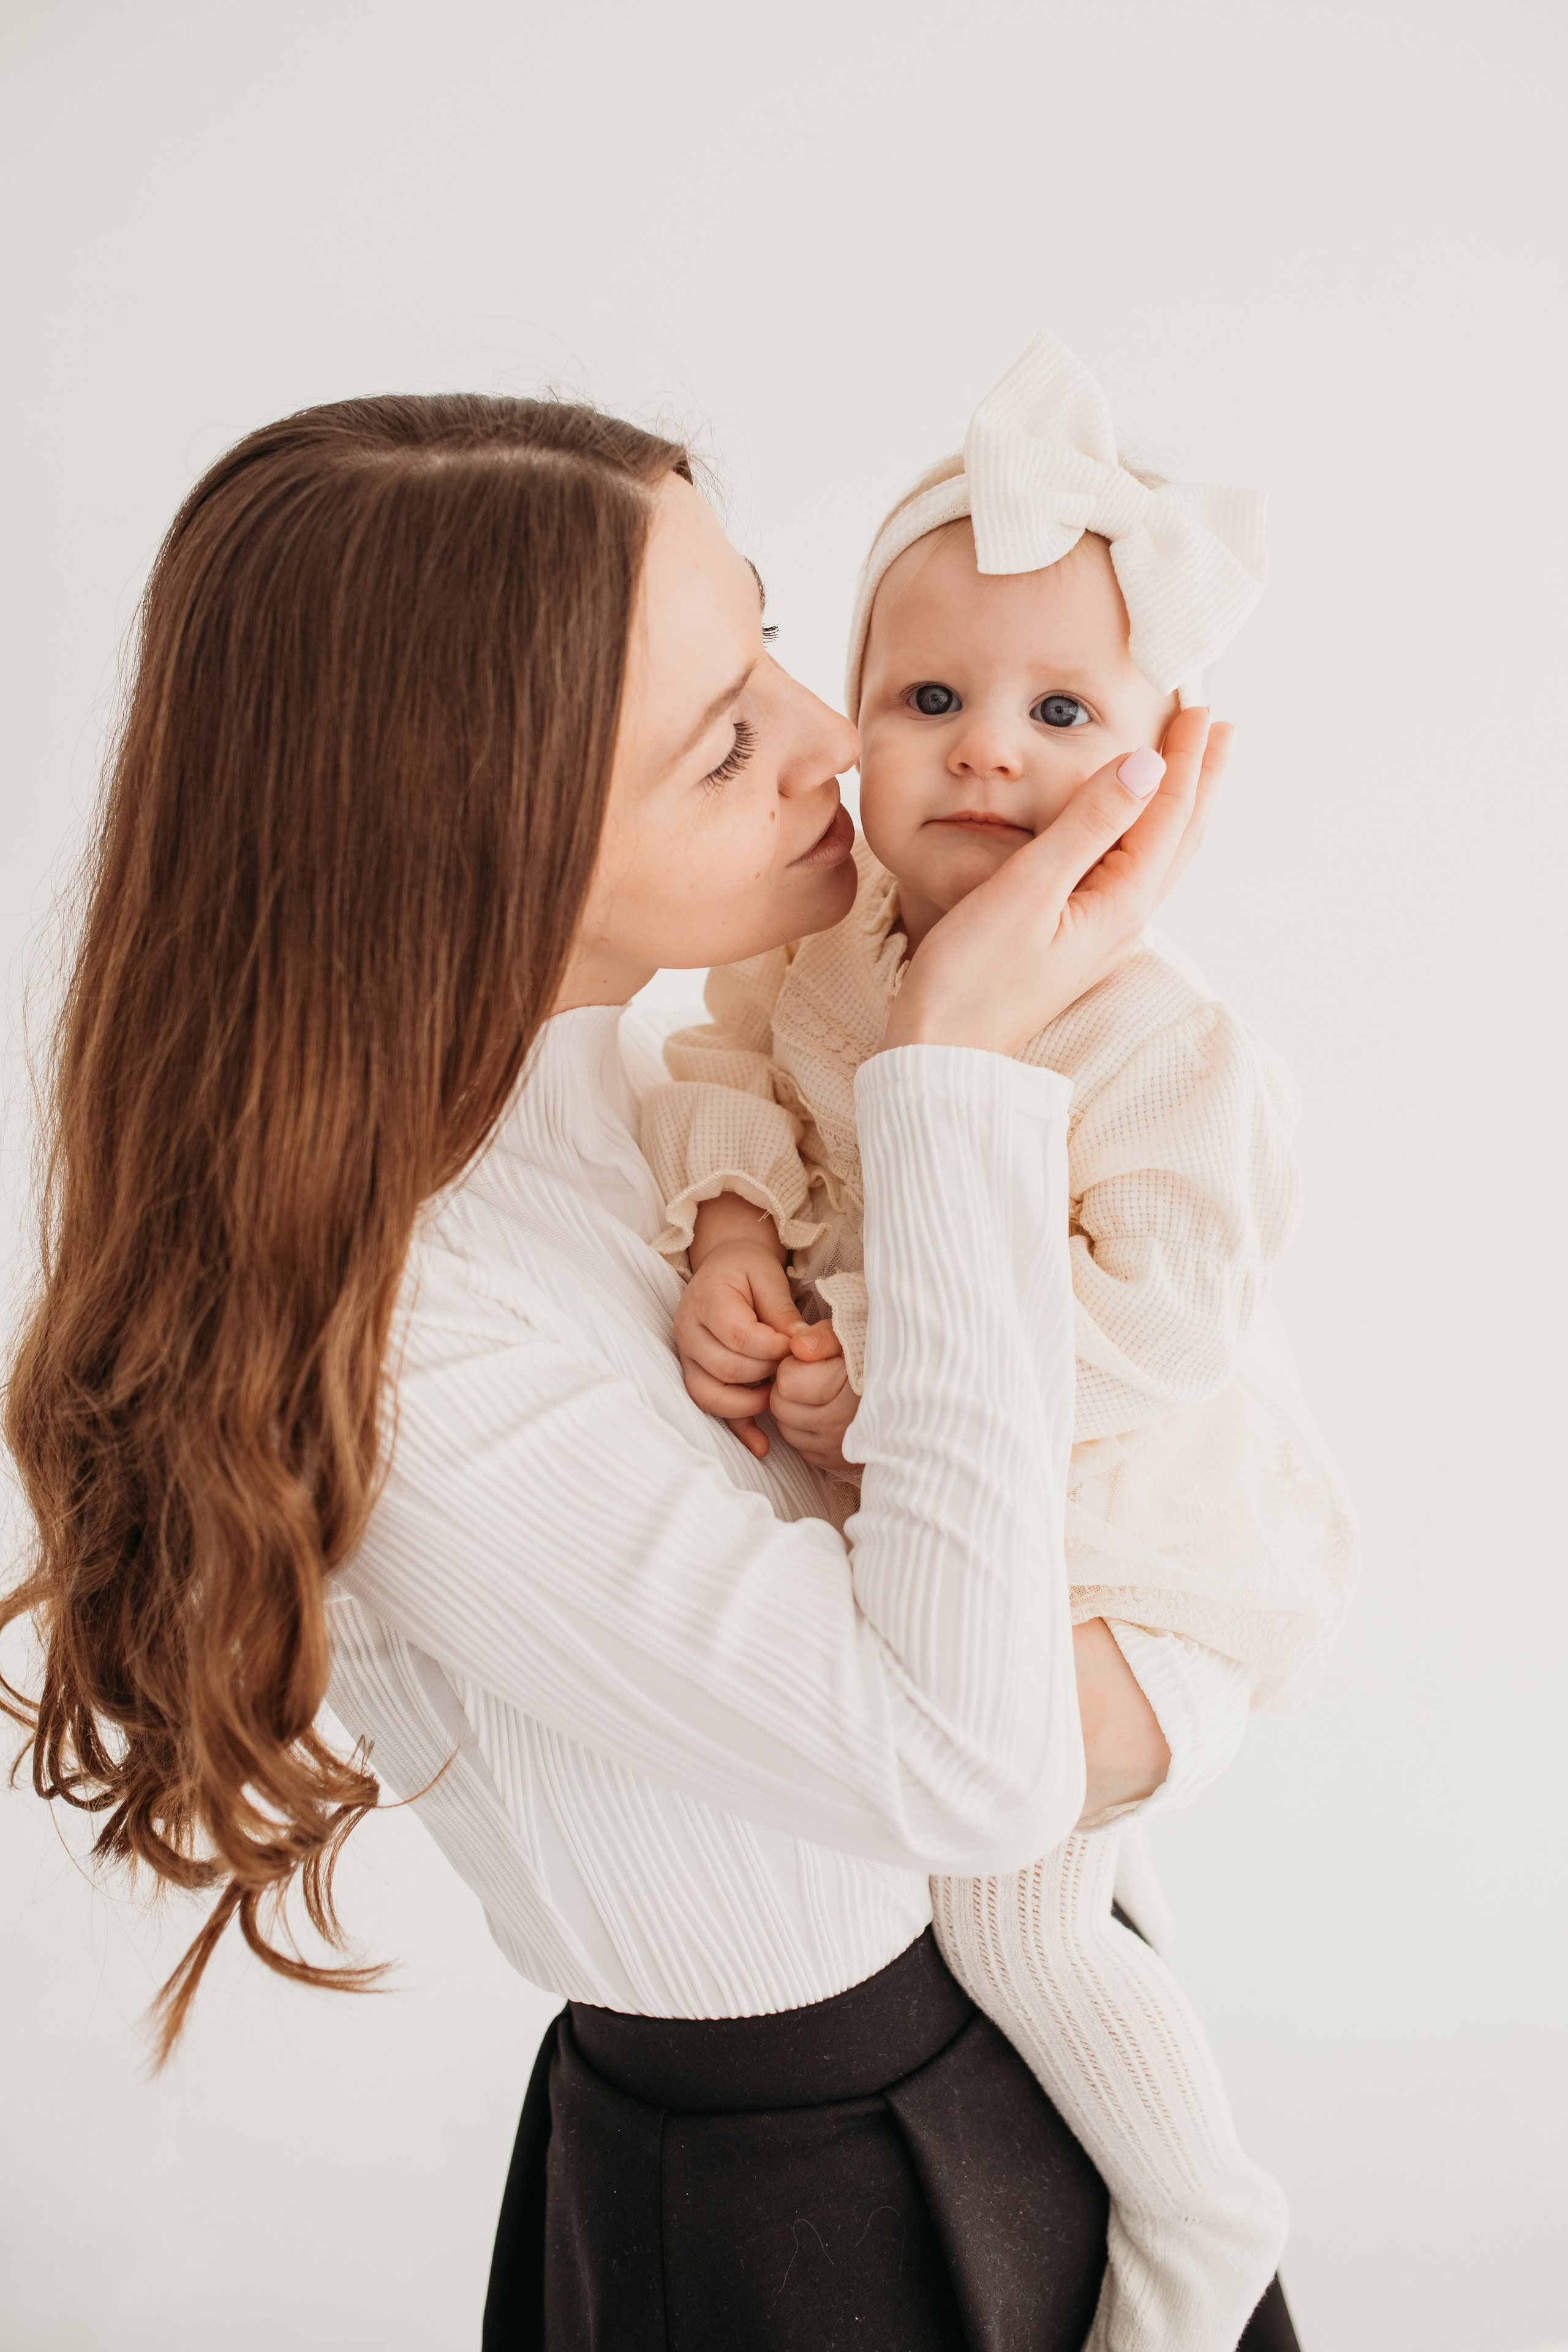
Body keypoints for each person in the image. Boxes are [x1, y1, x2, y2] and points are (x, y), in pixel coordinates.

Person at [2, 390, 1279, 2349]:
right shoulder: (420, 1336)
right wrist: (958, 1062)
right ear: (471, 847)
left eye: (769, 635)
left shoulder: (620, 1088)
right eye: (722, 739)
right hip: (806, 2214)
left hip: (1005, 2085)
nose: (840, 736)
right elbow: (972, 1759)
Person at [645, 334, 1356, 2351]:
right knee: (934, 1866)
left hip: (1154, 1575)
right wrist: (724, 1232)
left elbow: (1160, 1315)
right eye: (931, 699)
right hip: (972, 1546)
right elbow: (732, 1071)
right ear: (853, 724)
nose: (986, 752)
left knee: (1011, 1888)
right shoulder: (820, 947)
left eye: (1060, 711)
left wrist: (881, 1332)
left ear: (1155, 753)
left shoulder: (1158, 1037)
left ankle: (1206, 2224)